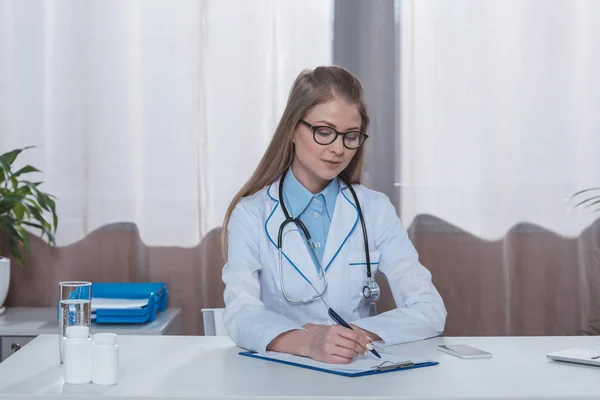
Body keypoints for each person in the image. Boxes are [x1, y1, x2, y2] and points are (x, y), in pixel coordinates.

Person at [221, 66, 446, 364]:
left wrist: (353, 334)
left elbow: (429, 308)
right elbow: (240, 312)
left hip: (354, 374)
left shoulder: (375, 209)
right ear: (291, 129)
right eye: (324, 132)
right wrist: (306, 342)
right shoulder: (250, 213)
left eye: (350, 136)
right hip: (278, 378)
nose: (338, 149)